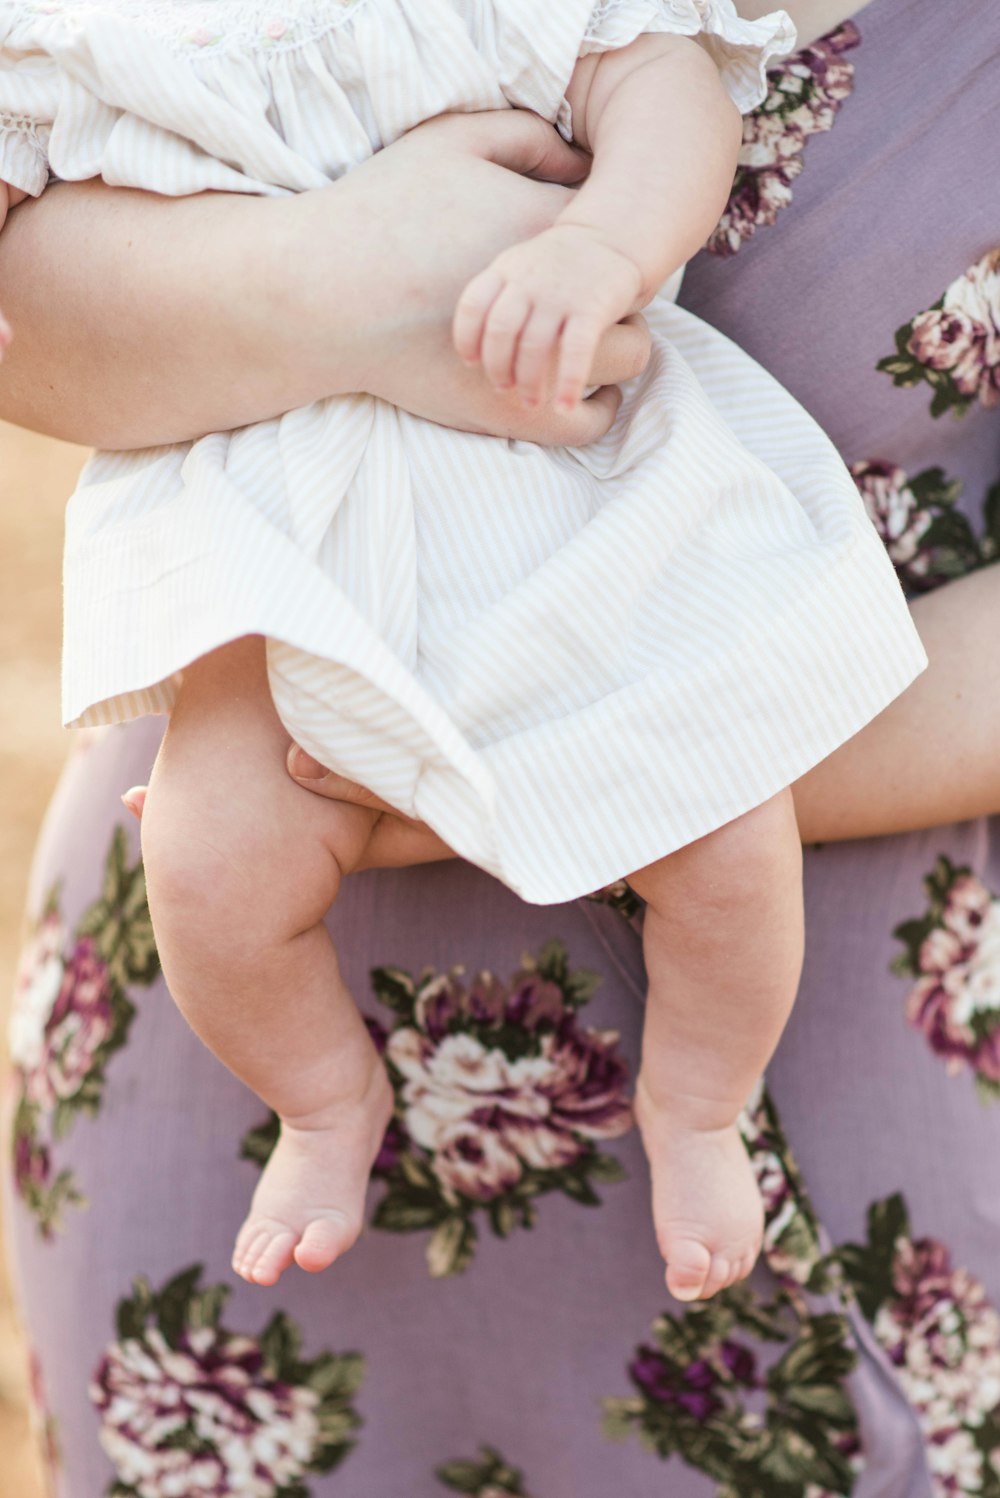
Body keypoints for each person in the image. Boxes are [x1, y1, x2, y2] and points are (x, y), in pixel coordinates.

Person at [3, 0, 1000, 1490]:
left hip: (692, 661)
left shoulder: (550, 23)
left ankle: (696, 1107)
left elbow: (660, 90)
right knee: (210, 864)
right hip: (290, 636)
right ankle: (322, 1103)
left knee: (721, 867)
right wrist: (345, 282)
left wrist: (603, 249)